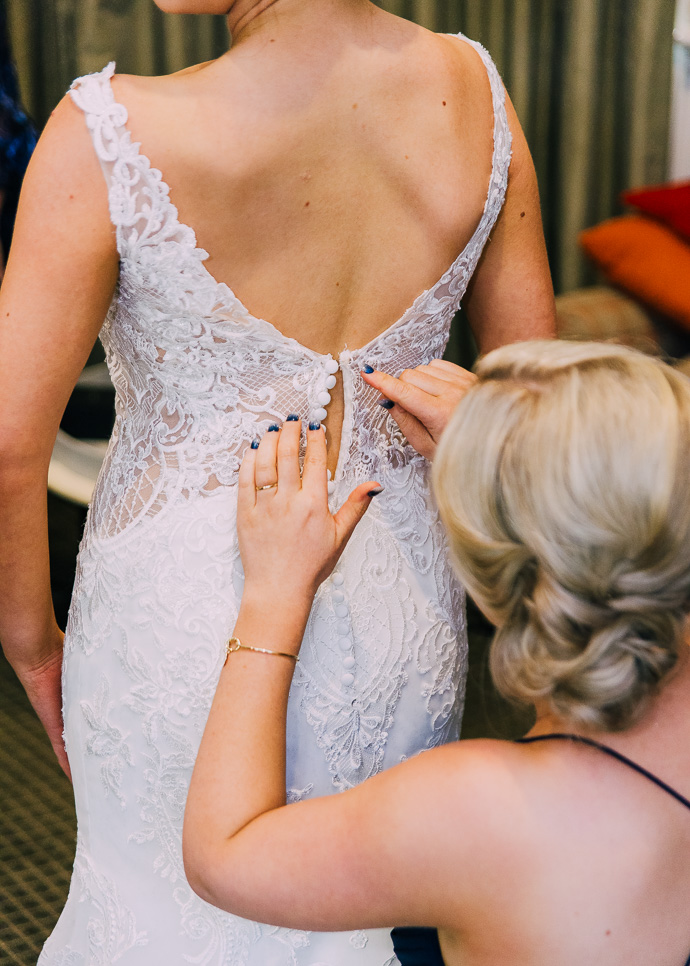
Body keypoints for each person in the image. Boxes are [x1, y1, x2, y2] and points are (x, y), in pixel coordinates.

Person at [0, 0, 555, 962]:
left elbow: (9, 441)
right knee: (359, 922)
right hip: (404, 607)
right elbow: (545, 406)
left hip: (177, 623)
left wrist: (32, 643)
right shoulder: (478, 96)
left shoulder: (107, 132)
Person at [183, 340, 690, 966]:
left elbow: (223, 858)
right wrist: (515, 485)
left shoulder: (481, 810)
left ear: (499, 569)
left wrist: (274, 594)